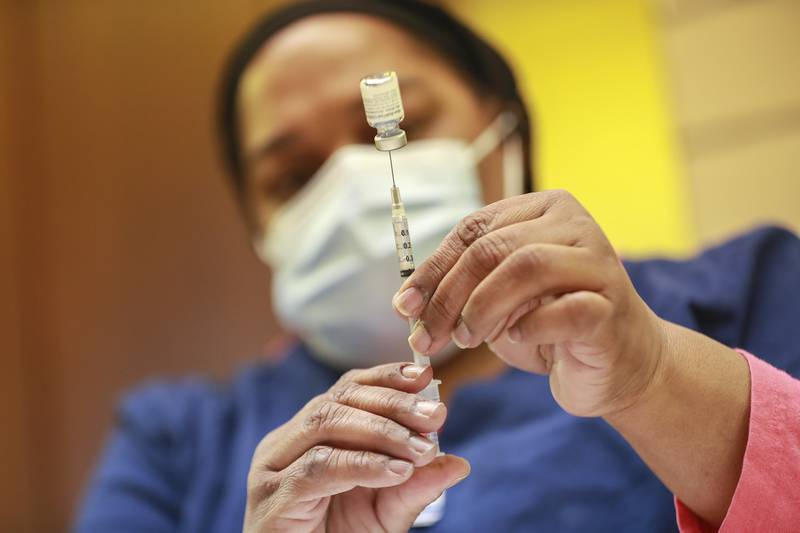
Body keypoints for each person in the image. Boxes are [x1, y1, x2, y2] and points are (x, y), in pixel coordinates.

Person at [75, 1, 800, 532]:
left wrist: (656, 377)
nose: (352, 185)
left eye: (398, 130)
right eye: (295, 177)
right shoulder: (175, 440)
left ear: (505, 133)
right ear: (258, 228)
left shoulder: (745, 294)